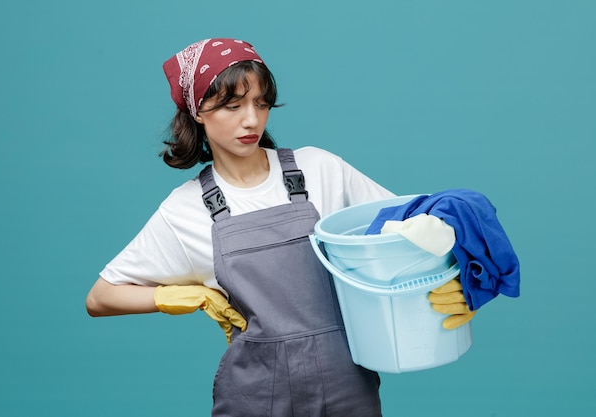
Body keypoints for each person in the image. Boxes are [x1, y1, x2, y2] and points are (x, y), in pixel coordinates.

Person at [85, 38, 471, 417]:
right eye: (232, 106)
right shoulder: (184, 210)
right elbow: (100, 298)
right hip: (254, 397)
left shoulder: (320, 169)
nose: (251, 119)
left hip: (349, 388)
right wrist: (187, 297)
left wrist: (456, 281)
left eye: (261, 103)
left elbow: (411, 230)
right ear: (198, 111)